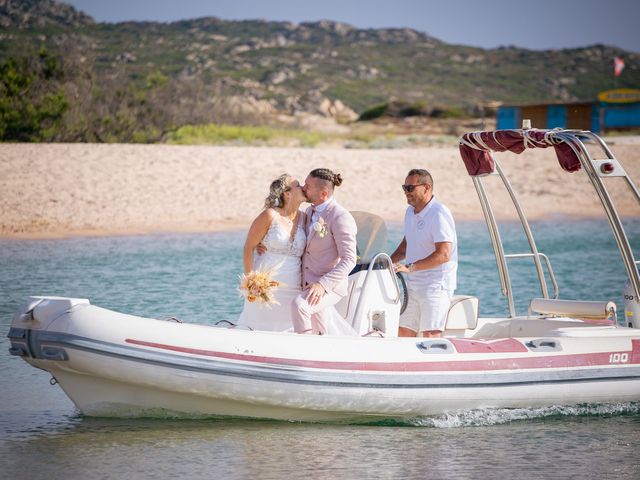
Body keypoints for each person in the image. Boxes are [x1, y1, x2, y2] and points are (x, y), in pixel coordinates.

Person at [391, 168, 458, 338]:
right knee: (403, 332)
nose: (406, 192)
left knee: (430, 335)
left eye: (410, 188)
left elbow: (444, 255)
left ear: (426, 188)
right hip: (413, 285)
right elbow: (407, 244)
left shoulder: (439, 213)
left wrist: (410, 267)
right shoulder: (410, 212)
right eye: (404, 188)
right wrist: (385, 263)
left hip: (435, 286)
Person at [235, 174, 307, 331]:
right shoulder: (269, 215)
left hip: (295, 285)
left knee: (290, 327)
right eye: (297, 185)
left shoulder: (305, 218)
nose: (302, 187)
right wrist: (251, 280)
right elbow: (248, 247)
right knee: (258, 325)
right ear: (286, 193)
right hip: (266, 284)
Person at [291, 168, 358, 335]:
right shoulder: (309, 211)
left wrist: (323, 285)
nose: (303, 188)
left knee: (300, 306)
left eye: (308, 185)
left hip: (330, 286)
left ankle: (303, 353)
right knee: (319, 328)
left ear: (323, 193)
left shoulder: (340, 217)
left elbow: (349, 259)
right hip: (308, 282)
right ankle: (321, 354)